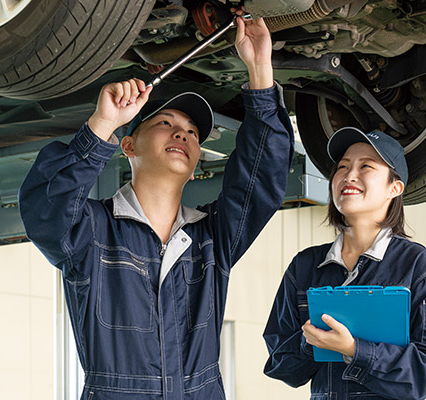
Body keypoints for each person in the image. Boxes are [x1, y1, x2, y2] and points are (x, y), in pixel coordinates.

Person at [18, 13, 293, 400]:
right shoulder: (93, 231)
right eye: (165, 122)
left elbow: (262, 176)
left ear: (198, 160)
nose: (182, 132)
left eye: (193, 132)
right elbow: (45, 207)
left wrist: (260, 67)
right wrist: (102, 123)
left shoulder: (213, 237)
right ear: (128, 145)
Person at [263, 127, 426, 400]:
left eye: (366, 166)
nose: (349, 175)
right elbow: (281, 365)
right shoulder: (304, 266)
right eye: (342, 167)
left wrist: (355, 349)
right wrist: (310, 344)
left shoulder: (419, 266)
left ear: (395, 188)